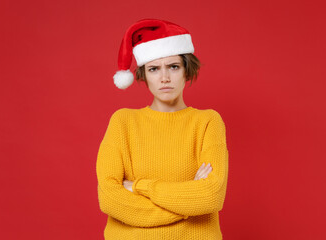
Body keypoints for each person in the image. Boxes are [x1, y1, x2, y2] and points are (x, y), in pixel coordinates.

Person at [96, 19, 229, 240]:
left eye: (173, 67)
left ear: (187, 70)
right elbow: (110, 198)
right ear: (143, 75)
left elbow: (210, 196)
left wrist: (140, 187)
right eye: (154, 69)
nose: (164, 78)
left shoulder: (208, 121)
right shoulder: (123, 122)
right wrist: (186, 203)